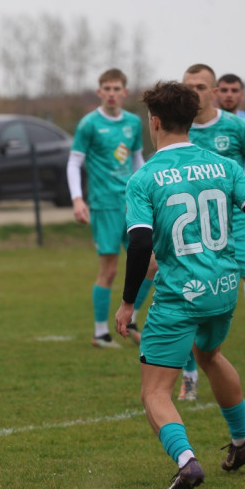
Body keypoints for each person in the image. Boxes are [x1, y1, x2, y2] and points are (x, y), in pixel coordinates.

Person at [115, 80, 245, 489]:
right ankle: (243, 441)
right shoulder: (225, 166)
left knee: (155, 393)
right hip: (224, 288)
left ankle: (187, 462)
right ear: (192, 120)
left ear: (155, 121)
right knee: (210, 354)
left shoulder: (145, 178)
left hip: (180, 296)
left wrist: (128, 304)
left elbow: (140, 242)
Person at [179, 64, 245, 400]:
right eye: (187, 87)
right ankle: (188, 375)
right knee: (183, 304)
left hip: (239, 228)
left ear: (213, 91)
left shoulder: (238, 127)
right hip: (196, 234)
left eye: (200, 87)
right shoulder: (178, 131)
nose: (192, 93)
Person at [67, 68, 151, 348]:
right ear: (99, 92)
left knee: (151, 264)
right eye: (107, 88)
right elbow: (74, 162)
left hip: (132, 205)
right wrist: (78, 199)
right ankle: (101, 333)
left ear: (125, 92)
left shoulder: (133, 123)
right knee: (110, 270)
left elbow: (137, 160)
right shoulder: (89, 124)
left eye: (117, 89)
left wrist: (147, 191)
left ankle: (133, 317)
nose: (112, 94)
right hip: (104, 205)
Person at [214, 74, 245, 347]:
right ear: (216, 92)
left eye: (234, 90)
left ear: (241, 94)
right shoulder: (199, 126)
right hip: (212, 215)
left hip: (244, 207)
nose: (229, 94)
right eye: (225, 90)